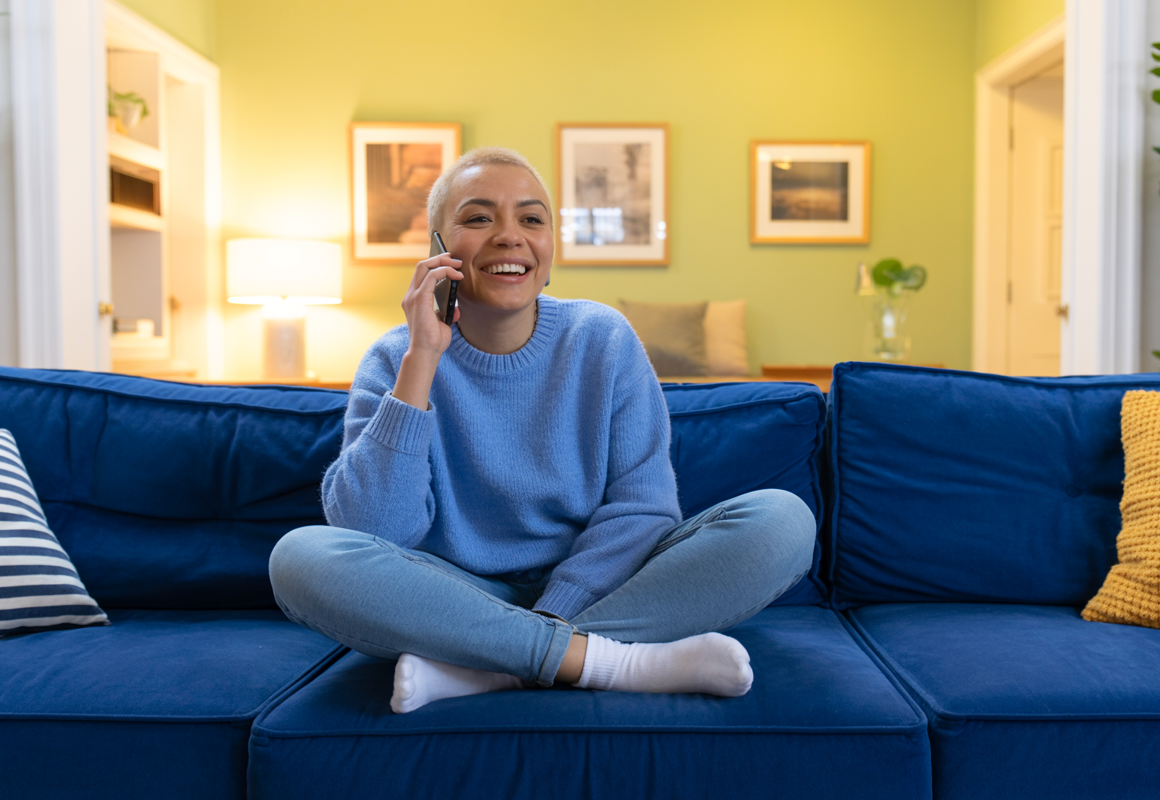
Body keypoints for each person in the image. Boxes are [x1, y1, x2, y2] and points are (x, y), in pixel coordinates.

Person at [269, 147, 816, 713]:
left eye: (531, 219)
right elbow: (375, 529)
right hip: (456, 598)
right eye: (479, 218)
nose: (510, 236)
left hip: (607, 585)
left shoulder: (602, 338)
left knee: (783, 521)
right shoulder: (394, 361)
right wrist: (422, 360)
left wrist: (554, 613)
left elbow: (642, 509)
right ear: (436, 250)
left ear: (550, 252)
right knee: (300, 557)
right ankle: (614, 663)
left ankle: (494, 667)